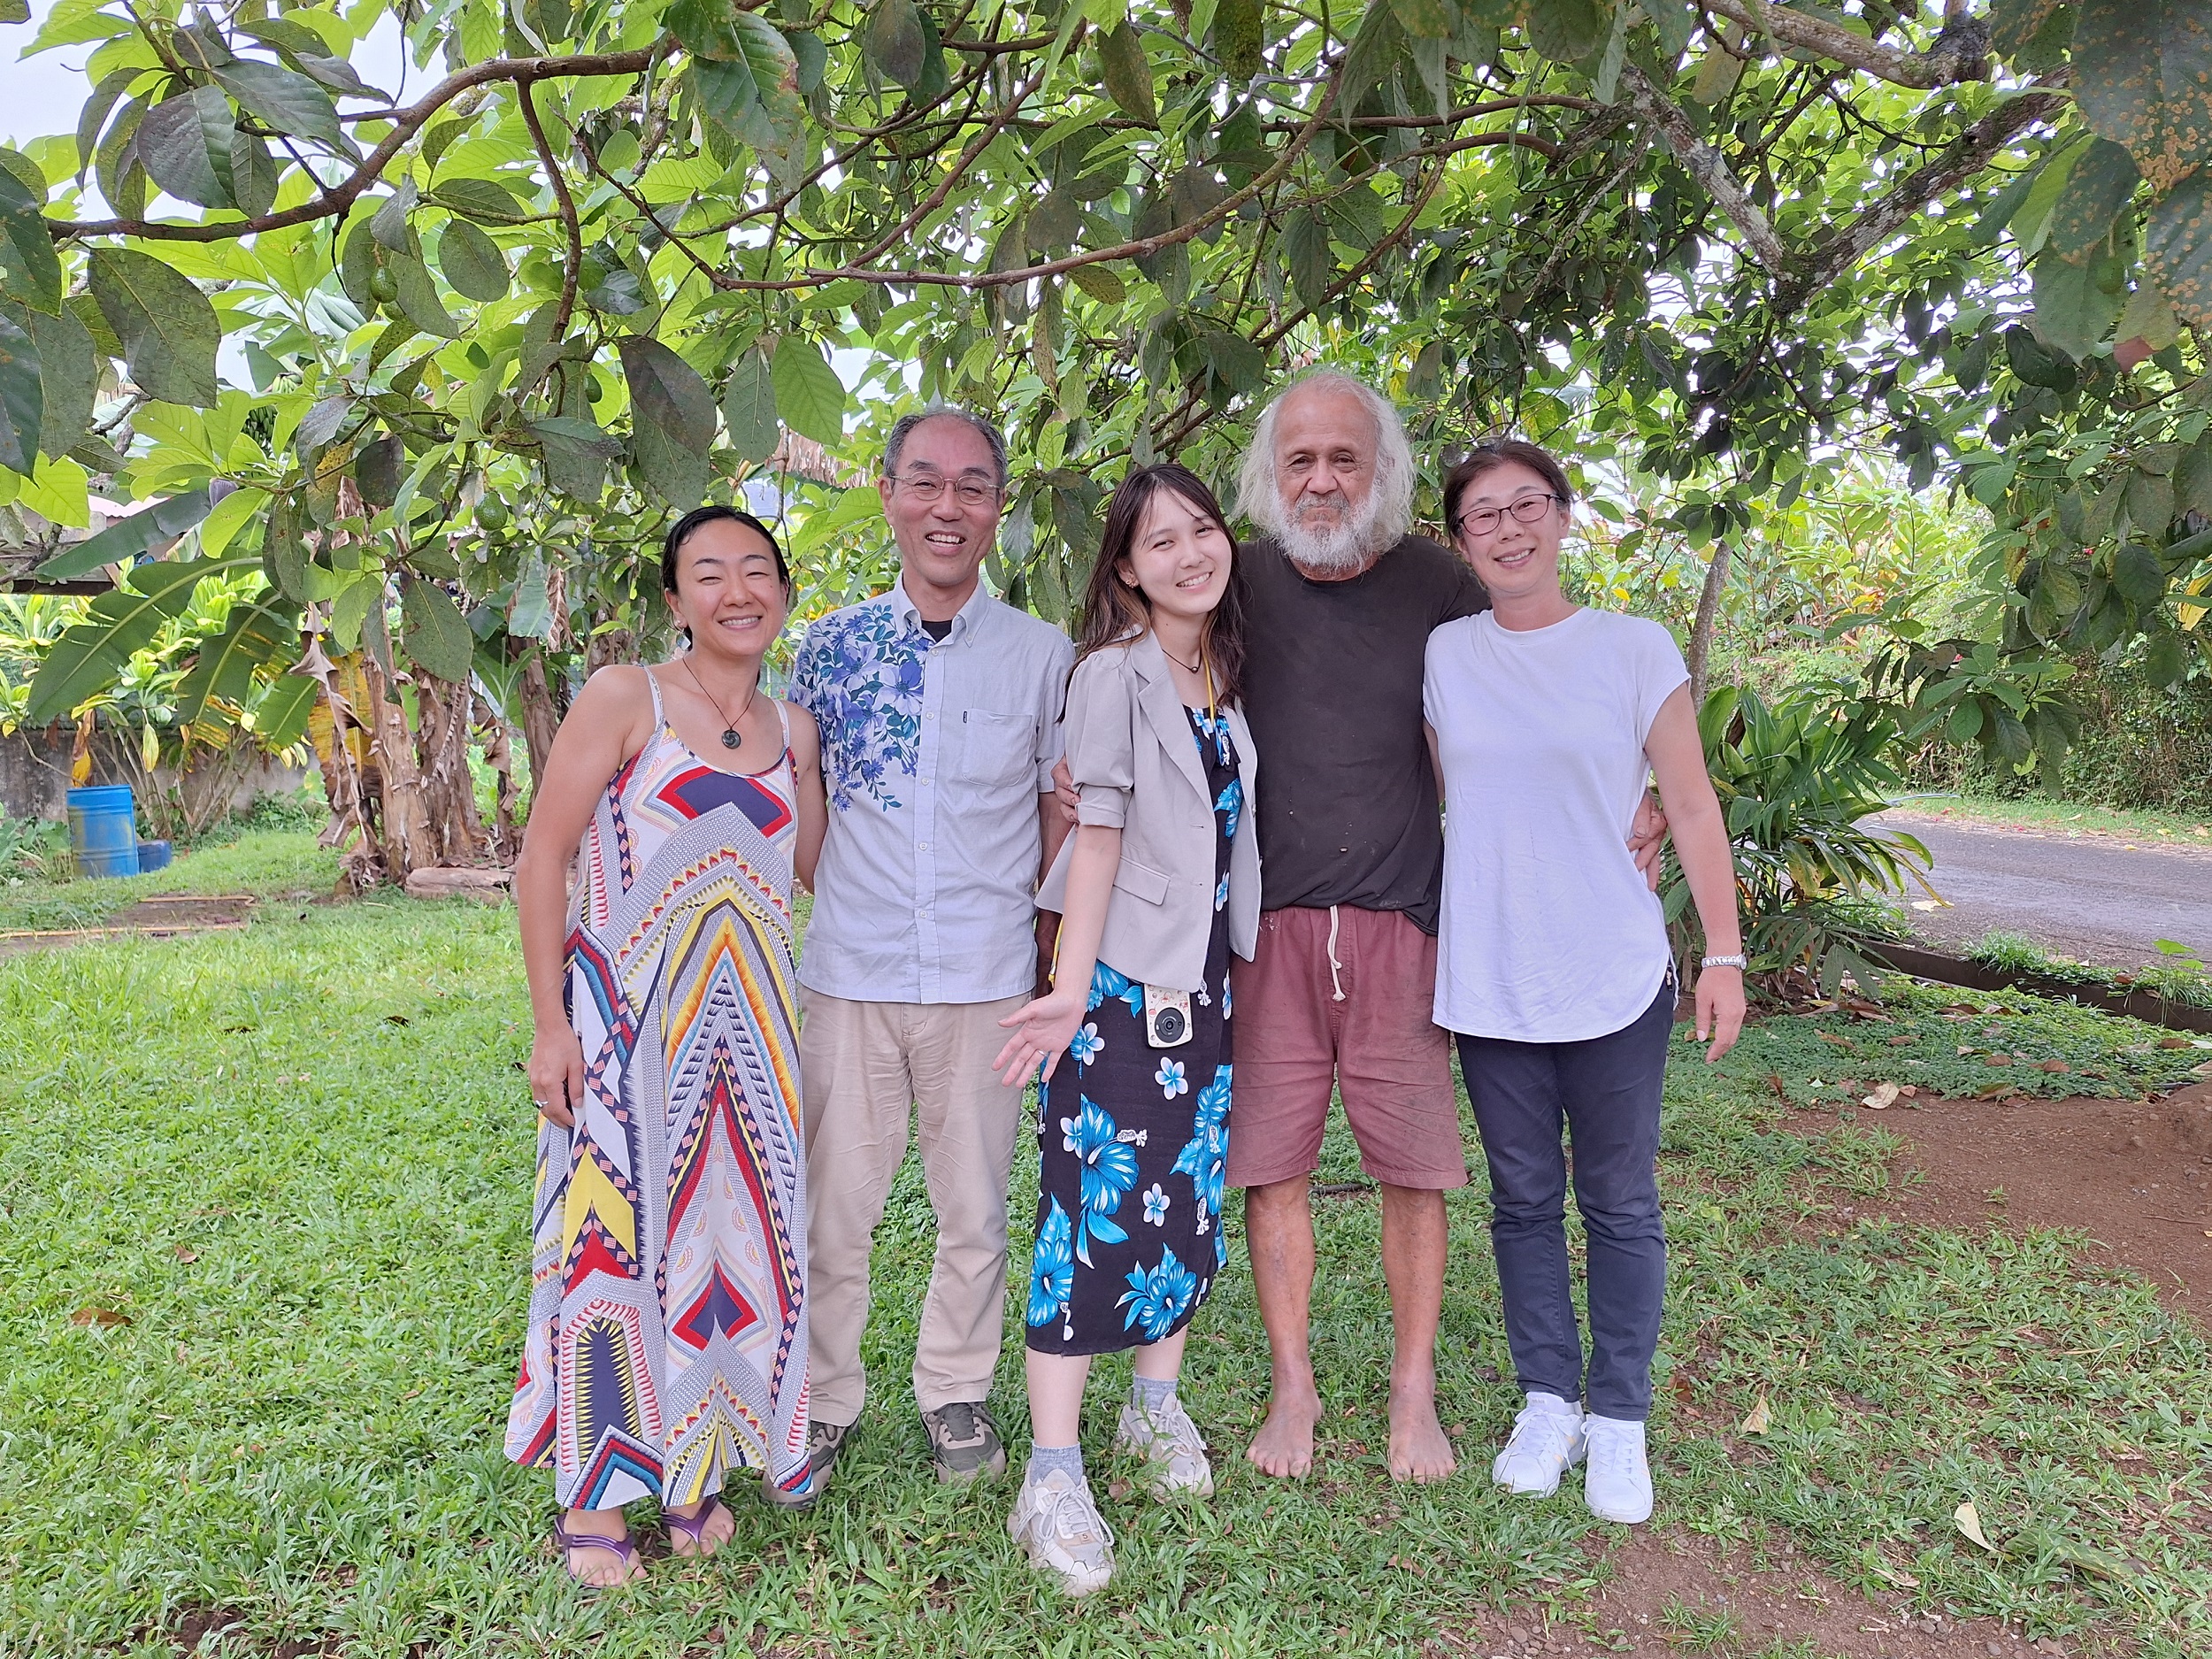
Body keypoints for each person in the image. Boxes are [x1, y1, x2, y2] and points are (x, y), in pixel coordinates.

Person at [1424, 439, 1745, 1525]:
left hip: (1610, 968)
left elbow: (1689, 806)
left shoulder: (1630, 647)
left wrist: (1726, 957)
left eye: (1527, 507)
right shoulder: (1445, 656)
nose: (1507, 531)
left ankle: (1617, 1417)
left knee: (1617, 1198)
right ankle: (1547, 1400)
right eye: (1481, 517)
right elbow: (1439, 796)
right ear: (1460, 542)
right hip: (1492, 975)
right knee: (1520, 1200)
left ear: (1562, 518)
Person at [506, 506, 827, 1587]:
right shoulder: (624, 697)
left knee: (725, 1245)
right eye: (709, 574)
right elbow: (541, 858)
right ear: (675, 599)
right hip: (625, 1031)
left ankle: (691, 1468)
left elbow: (804, 872)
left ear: (782, 588)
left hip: (750, 1044)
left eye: (756, 570)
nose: (737, 591)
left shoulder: (797, 728)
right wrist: (554, 1024)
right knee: (613, 1246)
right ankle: (594, 1498)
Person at [789, 407, 1075, 1492]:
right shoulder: (826, 648)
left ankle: (955, 1391)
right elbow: (803, 806)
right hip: (849, 973)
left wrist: (1052, 959)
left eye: (970, 486)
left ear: (996, 507)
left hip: (985, 978)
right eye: (924, 482)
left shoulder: (1043, 657)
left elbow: (1060, 814)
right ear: (886, 492)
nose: (946, 507)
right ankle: (820, 1402)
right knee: (836, 1207)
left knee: (974, 1209)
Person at [993, 465, 1261, 1595]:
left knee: (1185, 1207)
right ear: (1124, 570)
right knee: (1090, 1219)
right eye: (1161, 544)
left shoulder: (1222, 675)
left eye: (1202, 530)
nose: (1190, 554)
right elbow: (1095, 837)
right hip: (1117, 993)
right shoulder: (1114, 675)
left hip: (1202, 991)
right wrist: (1067, 985)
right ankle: (1050, 1477)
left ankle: (1152, 1408)